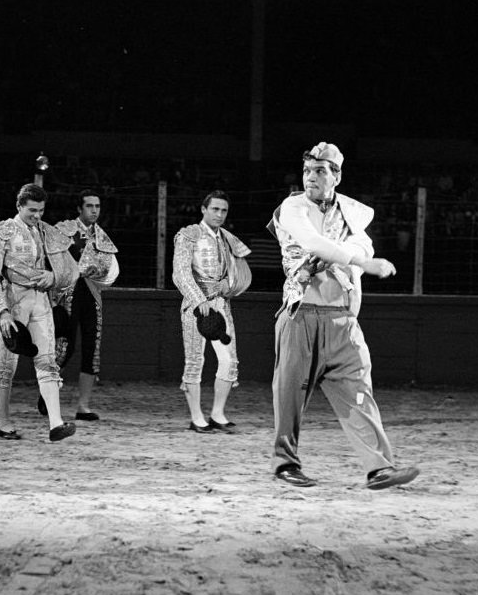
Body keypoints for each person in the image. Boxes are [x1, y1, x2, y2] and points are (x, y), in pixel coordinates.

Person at [267, 142, 419, 489]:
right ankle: (285, 464)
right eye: (307, 170)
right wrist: (361, 261)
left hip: (343, 321)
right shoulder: (292, 207)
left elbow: (363, 245)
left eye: (320, 171)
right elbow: (315, 244)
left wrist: (356, 253)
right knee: (289, 396)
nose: (311, 178)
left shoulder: (351, 213)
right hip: (300, 316)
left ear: (336, 175)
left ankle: (379, 468)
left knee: (359, 393)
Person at [0, 183, 79, 441]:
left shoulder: (46, 232)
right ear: (19, 206)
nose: (37, 216)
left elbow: (69, 269)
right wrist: (1, 312)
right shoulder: (2, 232)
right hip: (14, 300)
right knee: (7, 364)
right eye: (32, 210)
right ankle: (4, 422)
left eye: (40, 211)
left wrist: (53, 275)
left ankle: (56, 423)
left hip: (41, 300)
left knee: (47, 359)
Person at [172, 190, 251, 433]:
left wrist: (228, 286)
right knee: (195, 360)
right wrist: (197, 299)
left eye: (223, 210)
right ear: (203, 209)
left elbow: (239, 274)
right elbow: (180, 273)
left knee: (230, 361)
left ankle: (217, 413)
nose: (219, 214)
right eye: (215, 209)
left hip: (221, 303)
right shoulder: (188, 235)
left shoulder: (228, 238)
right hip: (196, 308)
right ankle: (197, 417)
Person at [53, 189, 120, 421]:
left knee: (92, 348)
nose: (94, 210)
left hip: (91, 295)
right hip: (66, 294)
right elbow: (52, 260)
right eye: (90, 206)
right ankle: (48, 394)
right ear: (79, 209)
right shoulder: (62, 231)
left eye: (97, 206)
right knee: (64, 347)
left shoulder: (102, 237)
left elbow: (110, 272)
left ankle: (83, 406)